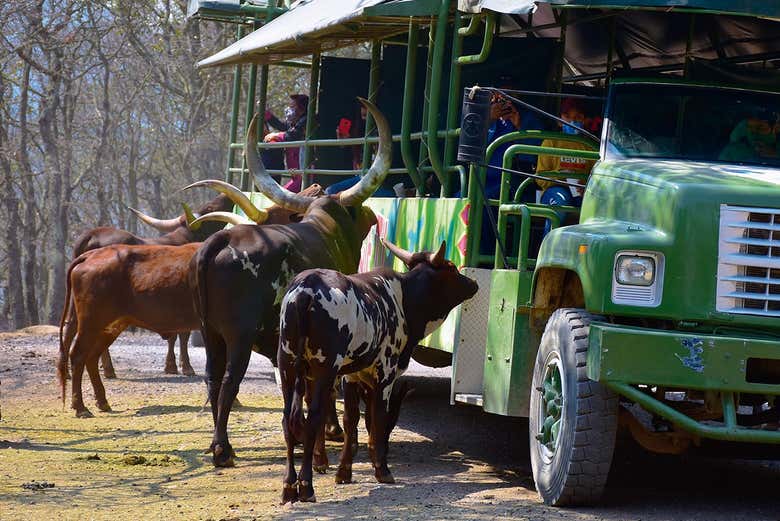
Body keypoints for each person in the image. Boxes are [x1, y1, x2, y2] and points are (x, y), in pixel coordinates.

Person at [536, 98, 596, 232]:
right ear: (559, 120)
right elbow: (540, 178)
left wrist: (585, 185)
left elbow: (596, 177)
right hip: (554, 190)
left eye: (577, 117)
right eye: (567, 117)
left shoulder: (590, 146)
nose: (572, 121)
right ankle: (547, 249)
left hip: (581, 193)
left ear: (585, 120)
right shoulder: (551, 142)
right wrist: (561, 179)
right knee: (560, 205)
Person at [265, 94, 311, 193]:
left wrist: (276, 136)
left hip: (305, 176)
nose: (289, 110)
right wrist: (267, 114)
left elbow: (291, 136)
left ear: (301, 108)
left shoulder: (306, 120)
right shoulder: (295, 121)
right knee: (279, 194)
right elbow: (282, 126)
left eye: (292, 107)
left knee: (282, 196)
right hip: (296, 176)